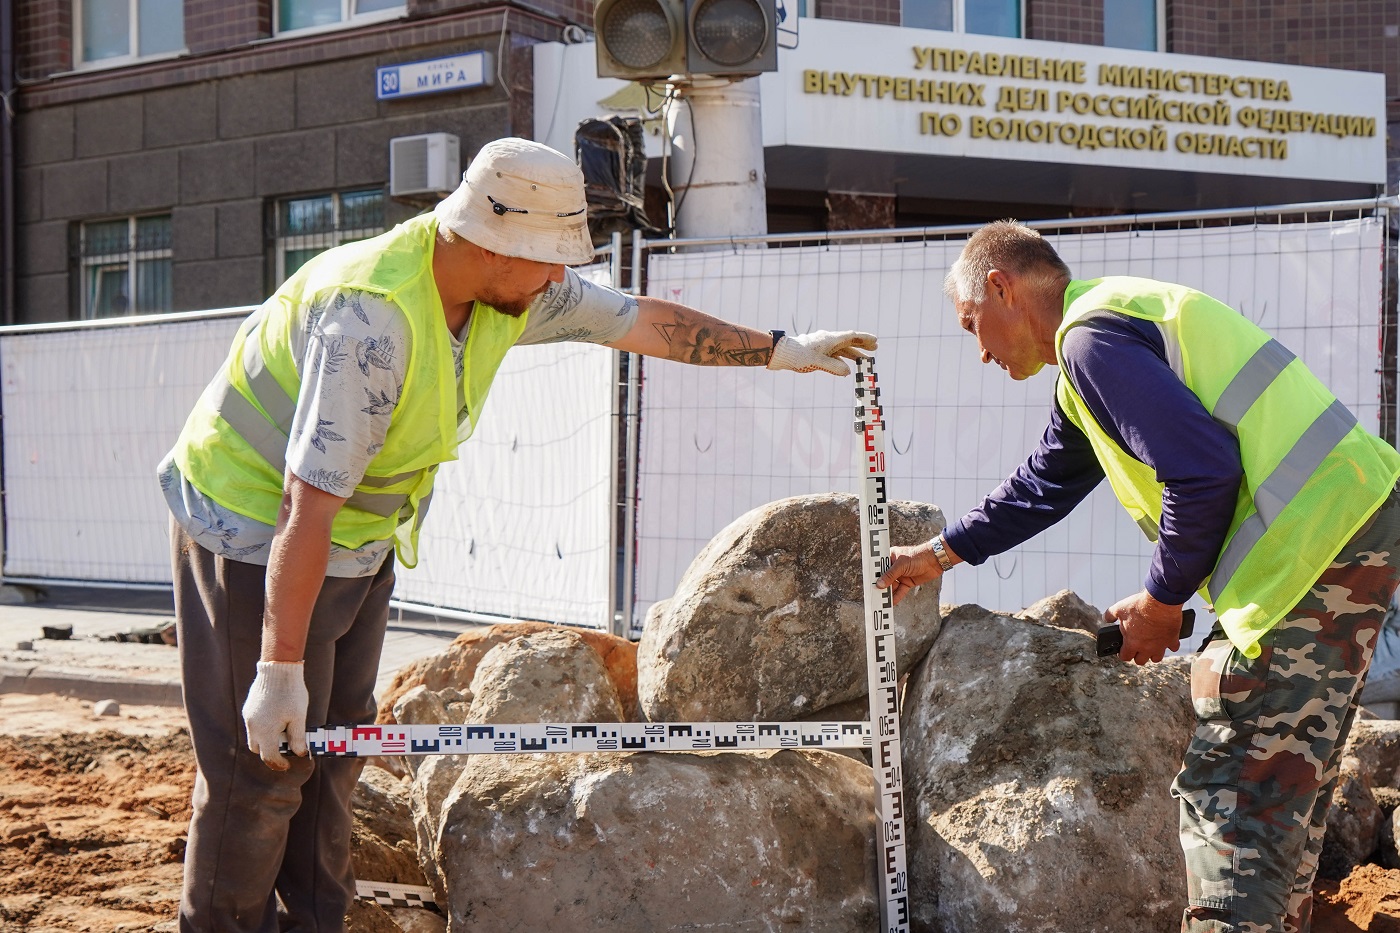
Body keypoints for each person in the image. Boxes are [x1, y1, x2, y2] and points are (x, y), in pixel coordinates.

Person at [159, 136, 875, 932]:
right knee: (260, 769)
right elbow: (306, 510)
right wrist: (278, 668)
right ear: (493, 244)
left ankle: (316, 922)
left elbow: (644, 322)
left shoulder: (513, 291)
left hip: (355, 537)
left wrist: (778, 350)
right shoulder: (371, 323)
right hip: (251, 528)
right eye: (547, 261)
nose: (559, 279)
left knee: (333, 752)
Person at [877, 220, 1400, 933]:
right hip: (1345, 525)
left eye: (973, 325)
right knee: (1282, 787)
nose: (980, 352)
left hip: (1307, 549)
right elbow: (1045, 482)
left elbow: (1203, 472)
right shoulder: (1103, 336)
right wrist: (938, 554)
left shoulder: (1091, 341)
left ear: (1002, 288)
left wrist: (1160, 602)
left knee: (1232, 800)